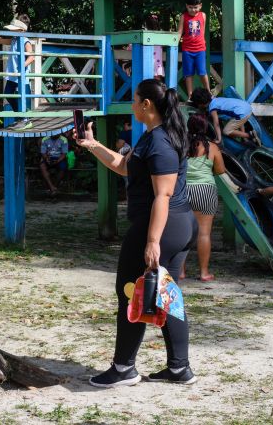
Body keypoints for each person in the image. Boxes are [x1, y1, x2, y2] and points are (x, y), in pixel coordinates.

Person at [75, 79, 198, 387]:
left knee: (131, 290)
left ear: (147, 105)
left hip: (162, 226)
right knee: (164, 293)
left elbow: (163, 195)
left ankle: (123, 368)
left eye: (134, 100)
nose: (131, 105)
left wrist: (153, 241)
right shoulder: (152, 136)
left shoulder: (160, 143)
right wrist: (93, 146)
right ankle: (179, 368)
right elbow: (124, 166)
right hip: (175, 224)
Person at [181, 113, 225, 281]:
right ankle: (204, 273)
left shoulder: (181, 145)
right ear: (206, 128)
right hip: (206, 190)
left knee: (182, 233)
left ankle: (180, 272)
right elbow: (220, 170)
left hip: (184, 191)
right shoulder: (212, 147)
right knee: (204, 234)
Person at [0, 15, 36, 128]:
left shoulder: (25, 41)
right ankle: (21, 117)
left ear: (22, 30)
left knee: (21, 98)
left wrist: (23, 66)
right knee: (7, 93)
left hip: (20, 76)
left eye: (14, 29)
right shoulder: (14, 40)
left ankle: (25, 119)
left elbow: (32, 57)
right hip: (13, 76)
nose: (12, 31)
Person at [188, 88, 258, 145]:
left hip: (242, 113)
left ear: (201, 103)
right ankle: (245, 139)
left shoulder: (213, 107)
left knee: (226, 131)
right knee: (236, 119)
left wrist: (219, 139)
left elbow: (216, 124)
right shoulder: (215, 99)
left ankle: (249, 135)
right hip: (246, 108)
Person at [178, 0, 209, 97]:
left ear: (200, 6)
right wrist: (174, 44)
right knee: (188, 74)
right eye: (190, 7)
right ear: (186, 6)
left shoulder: (203, 15)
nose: (193, 10)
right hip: (187, 49)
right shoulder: (184, 16)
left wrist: (202, 43)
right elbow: (179, 32)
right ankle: (190, 96)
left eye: (195, 7)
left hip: (200, 49)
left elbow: (202, 32)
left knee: (202, 72)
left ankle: (208, 92)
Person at [144, 14, 165, 81]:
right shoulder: (162, 37)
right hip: (157, 66)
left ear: (146, 25)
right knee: (157, 86)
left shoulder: (144, 36)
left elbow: (131, 47)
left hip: (146, 65)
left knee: (146, 85)